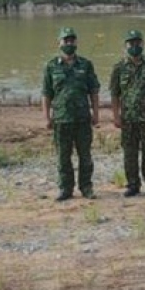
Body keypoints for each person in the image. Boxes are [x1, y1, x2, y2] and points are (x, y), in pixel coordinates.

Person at [42, 27, 101, 201]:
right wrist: (46, 117)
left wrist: (96, 114)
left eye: (72, 40)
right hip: (61, 118)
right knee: (63, 156)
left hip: (83, 118)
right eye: (65, 40)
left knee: (85, 155)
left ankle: (86, 187)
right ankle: (65, 189)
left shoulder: (86, 64)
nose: (69, 43)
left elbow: (94, 91)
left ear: (76, 42)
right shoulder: (51, 66)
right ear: (59, 43)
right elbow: (46, 94)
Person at [110, 29, 145, 197]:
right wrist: (116, 116)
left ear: (142, 44)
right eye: (131, 43)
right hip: (128, 118)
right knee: (130, 152)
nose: (134, 46)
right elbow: (114, 93)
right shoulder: (119, 67)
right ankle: (133, 185)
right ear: (126, 45)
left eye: (137, 43)